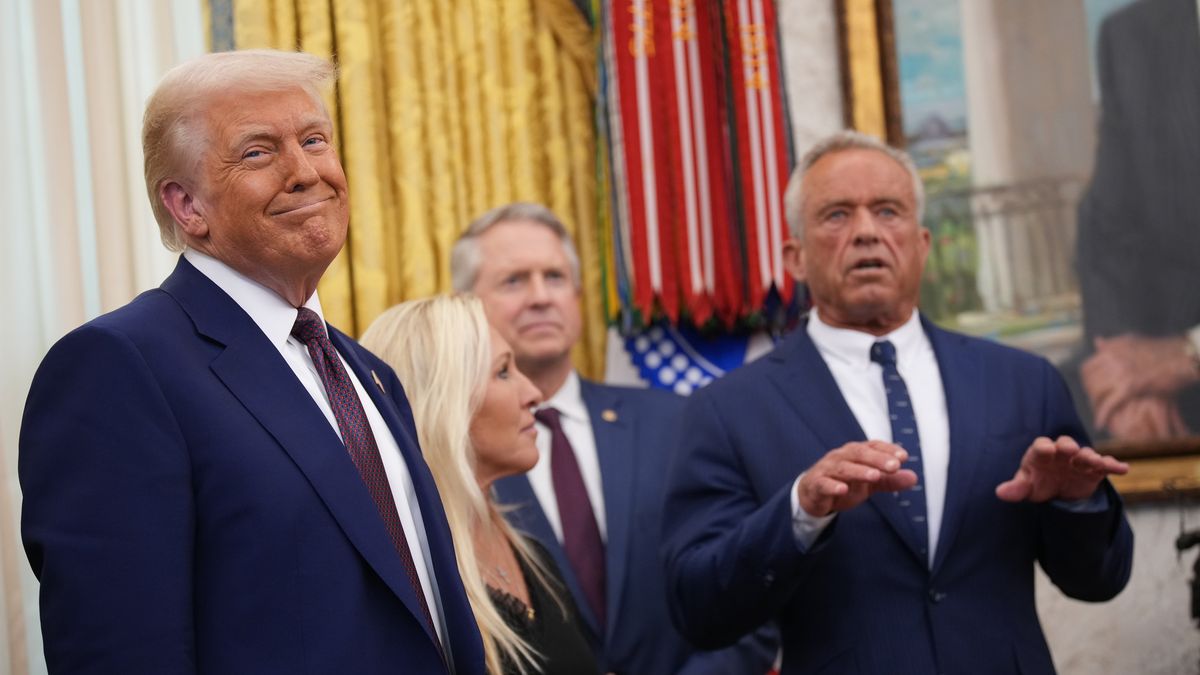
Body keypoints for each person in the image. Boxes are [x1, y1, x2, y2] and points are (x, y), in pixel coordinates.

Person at [19, 50, 483, 674]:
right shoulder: (120, 368)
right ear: (187, 206)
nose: (305, 172)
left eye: (315, 140)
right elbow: (118, 649)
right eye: (258, 153)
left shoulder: (368, 373)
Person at [661, 130, 1135, 674]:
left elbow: (1101, 580)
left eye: (888, 211)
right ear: (794, 258)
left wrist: (1077, 503)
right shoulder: (727, 410)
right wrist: (800, 510)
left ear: (922, 243)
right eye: (836, 215)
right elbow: (696, 607)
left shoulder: (1023, 382)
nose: (865, 233)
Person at [450, 203, 777, 673]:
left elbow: (743, 590)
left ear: (579, 295)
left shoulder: (675, 422)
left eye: (555, 277)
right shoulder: (455, 457)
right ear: (466, 304)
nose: (541, 296)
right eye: (514, 281)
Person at [360, 294, 599, 675]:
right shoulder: (408, 586)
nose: (533, 394)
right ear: (445, 405)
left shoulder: (535, 555)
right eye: (504, 372)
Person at [1075, 0, 1200, 441]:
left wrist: (1189, 355)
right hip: (1159, 340)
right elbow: (1107, 225)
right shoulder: (1131, 35)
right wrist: (1126, 379)